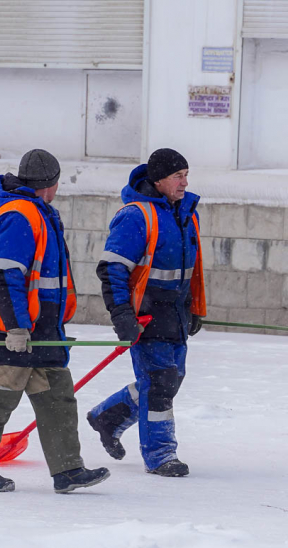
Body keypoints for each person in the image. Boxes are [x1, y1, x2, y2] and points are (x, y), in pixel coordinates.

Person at [0, 149, 110, 494]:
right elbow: (4, 275)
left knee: (58, 399)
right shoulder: (20, 215)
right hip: (7, 329)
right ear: (53, 183)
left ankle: (68, 470)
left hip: (43, 330)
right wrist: (16, 327)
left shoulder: (40, 214)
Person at [87, 148, 206, 477]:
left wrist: (192, 306)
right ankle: (160, 455)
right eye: (177, 176)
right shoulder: (136, 215)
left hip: (176, 313)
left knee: (171, 379)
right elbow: (112, 269)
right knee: (159, 382)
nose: (185, 182)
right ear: (158, 180)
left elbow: (189, 268)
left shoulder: (185, 212)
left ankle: (108, 416)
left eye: (186, 175)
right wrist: (121, 314)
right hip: (146, 312)